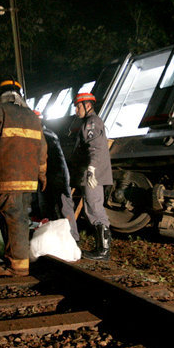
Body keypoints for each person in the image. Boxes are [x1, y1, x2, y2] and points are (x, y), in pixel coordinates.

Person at [0, 79, 47, 277]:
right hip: (29, 178)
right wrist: (42, 174)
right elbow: (42, 149)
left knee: (12, 218)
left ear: (0, 93)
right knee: (19, 217)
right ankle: (16, 257)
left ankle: (17, 266)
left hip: (6, 176)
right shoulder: (32, 116)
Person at [70, 92, 113, 260]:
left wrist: (92, 169)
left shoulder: (92, 122)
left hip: (92, 175)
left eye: (78, 106)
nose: (76, 110)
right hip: (90, 173)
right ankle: (102, 249)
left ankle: (103, 251)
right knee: (92, 207)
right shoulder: (88, 122)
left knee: (94, 208)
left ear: (88, 105)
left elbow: (94, 148)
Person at [34, 111, 79, 242]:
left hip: (56, 178)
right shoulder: (40, 135)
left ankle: (73, 239)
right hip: (47, 178)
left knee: (64, 208)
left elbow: (59, 162)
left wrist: (63, 184)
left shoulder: (47, 136)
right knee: (47, 209)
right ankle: (53, 238)